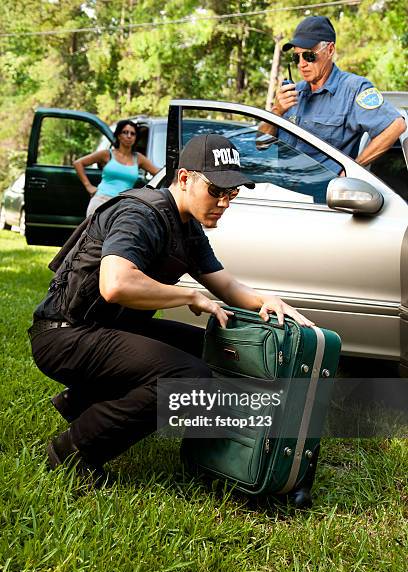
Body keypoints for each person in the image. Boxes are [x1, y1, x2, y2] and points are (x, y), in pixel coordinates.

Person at [28, 133, 315, 498]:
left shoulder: (187, 227)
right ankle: (74, 450)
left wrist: (266, 301)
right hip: (66, 334)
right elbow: (115, 284)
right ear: (184, 179)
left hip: (103, 330)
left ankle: (89, 401)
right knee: (189, 377)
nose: (225, 202)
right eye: (216, 190)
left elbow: (225, 285)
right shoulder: (140, 214)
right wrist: (189, 296)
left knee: (213, 347)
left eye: (233, 193)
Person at [260, 16, 405, 174]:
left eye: (309, 56)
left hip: (322, 194)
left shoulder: (353, 89)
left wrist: (352, 169)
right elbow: (261, 145)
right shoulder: (293, 93)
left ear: (330, 50)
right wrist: (276, 112)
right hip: (281, 190)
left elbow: (396, 126)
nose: (302, 64)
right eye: (296, 57)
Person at [73, 119, 159, 216]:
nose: (129, 136)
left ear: (135, 138)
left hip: (122, 205)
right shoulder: (107, 154)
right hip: (101, 201)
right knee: (95, 231)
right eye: (125, 132)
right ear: (118, 135)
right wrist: (89, 186)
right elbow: (78, 163)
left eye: (132, 134)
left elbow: (159, 173)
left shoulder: (139, 158)